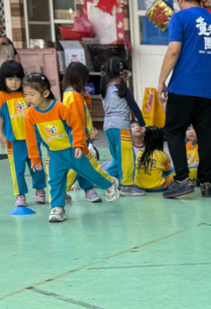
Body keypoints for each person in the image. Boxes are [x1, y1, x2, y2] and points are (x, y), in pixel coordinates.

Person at [23, 72, 119, 222]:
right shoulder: (30, 115)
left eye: (32, 94)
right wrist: (34, 158)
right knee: (54, 180)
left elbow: (75, 126)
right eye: (26, 94)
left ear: (45, 93)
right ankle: (57, 208)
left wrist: (78, 145)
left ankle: (110, 183)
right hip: (54, 154)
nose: (28, 98)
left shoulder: (60, 108)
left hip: (73, 150)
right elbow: (31, 139)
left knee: (90, 172)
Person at [158, 0, 211, 199]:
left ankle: (182, 180)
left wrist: (161, 80)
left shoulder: (180, 18)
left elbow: (173, 50)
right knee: (205, 134)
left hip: (184, 86)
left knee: (174, 131)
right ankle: (206, 183)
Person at [0, 60, 46, 208]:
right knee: (17, 170)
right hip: (14, 141)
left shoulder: (27, 94)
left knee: (37, 166)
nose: (14, 82)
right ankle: (20, 194)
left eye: (17, 78)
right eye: (10, 79)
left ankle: (40, 190)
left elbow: (38, 112)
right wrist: (1, 135)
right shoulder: (0, 97)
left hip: (32, 139)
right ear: (3, 79)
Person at [63, 62, 110, 203]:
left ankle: (88, 189)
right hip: (78, 139)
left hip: (80, 138)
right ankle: (61, 190)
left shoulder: (71, 95)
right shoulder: (73, 97)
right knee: (79, 166)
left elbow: (85, 113)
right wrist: (81, 139)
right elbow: (77, 122)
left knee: (84, 166)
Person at [101, 57, 146, 196]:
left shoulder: (104, 89)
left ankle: (102, 180)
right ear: (123, 73)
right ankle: (127, 185)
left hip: (108, 127)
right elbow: (134, 107)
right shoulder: (122, 89)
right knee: (127, 157)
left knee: (117, 158)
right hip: (121, 127)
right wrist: (142, 124)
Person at [134, 126, 173, 191]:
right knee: (175, 172)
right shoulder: (163, 155)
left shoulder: (139, 153)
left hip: (139, 186)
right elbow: (167, 169)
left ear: (144, 139)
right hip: (159, 187)